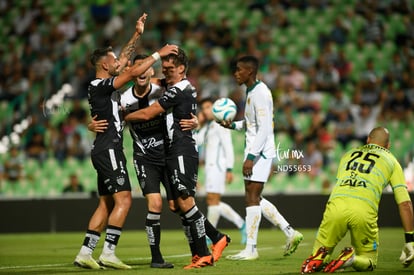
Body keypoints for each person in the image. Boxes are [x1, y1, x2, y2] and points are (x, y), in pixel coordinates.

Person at [74, 13, 179, 270]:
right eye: (113, 60)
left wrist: (137, 34)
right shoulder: (101, 86)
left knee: (106, 202)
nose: (119, 61)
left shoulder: (102, 87)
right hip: (109, 148)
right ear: (104, 66)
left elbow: (125, 61)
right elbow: (132, 70)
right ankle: (108, 252)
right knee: (125, 200)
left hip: (102, 147)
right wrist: (158, 54)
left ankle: (85, 253)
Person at [124, 48, 230, 269]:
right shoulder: (178, 86)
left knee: (185, 201)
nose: (166, 72)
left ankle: (205, 251)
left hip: (181, 149)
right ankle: (212, 241)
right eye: (164, 68)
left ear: (182, 69)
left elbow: (147, 114)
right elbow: (147, 77)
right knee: (178, 205)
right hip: (175, 150)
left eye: (170, 69)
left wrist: (121, 116)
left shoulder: (178, 89)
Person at [301, 127, 414, 273]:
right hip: (363, 209)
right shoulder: (392, 161)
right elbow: (405, 203)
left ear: (368, 140)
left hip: (336, 206)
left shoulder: (348, 154)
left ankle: (321, 257)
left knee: (321, 252)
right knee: (369, 261)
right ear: (388, 146)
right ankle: (351, 259)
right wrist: (410, 240)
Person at [222, 56, 303, 260]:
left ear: (250, 71)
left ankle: (251, 249)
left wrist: (250, 157)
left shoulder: (260, 93)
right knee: (255, 197)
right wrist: (232, 125)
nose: (235, 73)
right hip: (257, 150)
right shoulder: (251, 91)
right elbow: (252, 124)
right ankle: (290, 232)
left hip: (260, 152)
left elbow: (265, 129)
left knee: (251, 197)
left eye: (239, 70)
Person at [196, 97, 246, 243]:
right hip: (209, 168)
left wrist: (229, 169)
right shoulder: (208, 126)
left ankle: (209, 236)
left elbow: (228, 146)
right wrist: (197, 125)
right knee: (214, 201)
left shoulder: (220, 125)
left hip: (218, 167)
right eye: (203, 108)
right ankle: (242, 224)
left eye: (207, 107)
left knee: (212, 200)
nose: (205, 111)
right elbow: (196, 140)